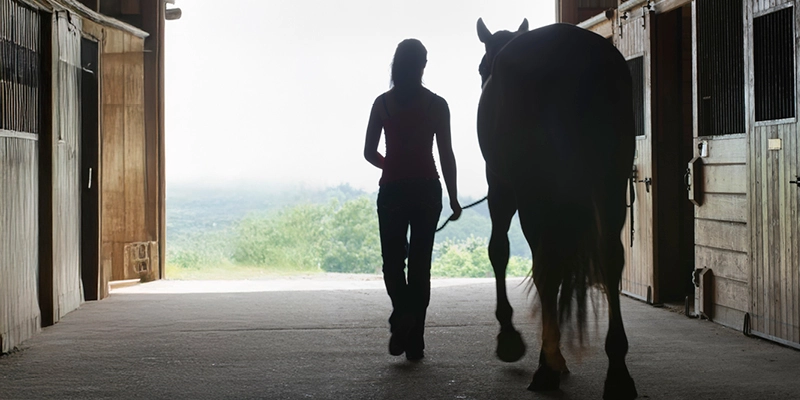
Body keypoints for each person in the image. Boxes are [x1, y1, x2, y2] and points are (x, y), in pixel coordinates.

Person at [363, 39, 461, 361]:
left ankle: (401, 312)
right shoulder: (437, 105)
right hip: (426, 191)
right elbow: (446, 155)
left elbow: (368, 152)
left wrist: (388, 163)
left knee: (393, 262)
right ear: (422, 66)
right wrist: (455, 197)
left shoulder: (382, 104)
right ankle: (415, 341)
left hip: (392, 190)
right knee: (421, 266)